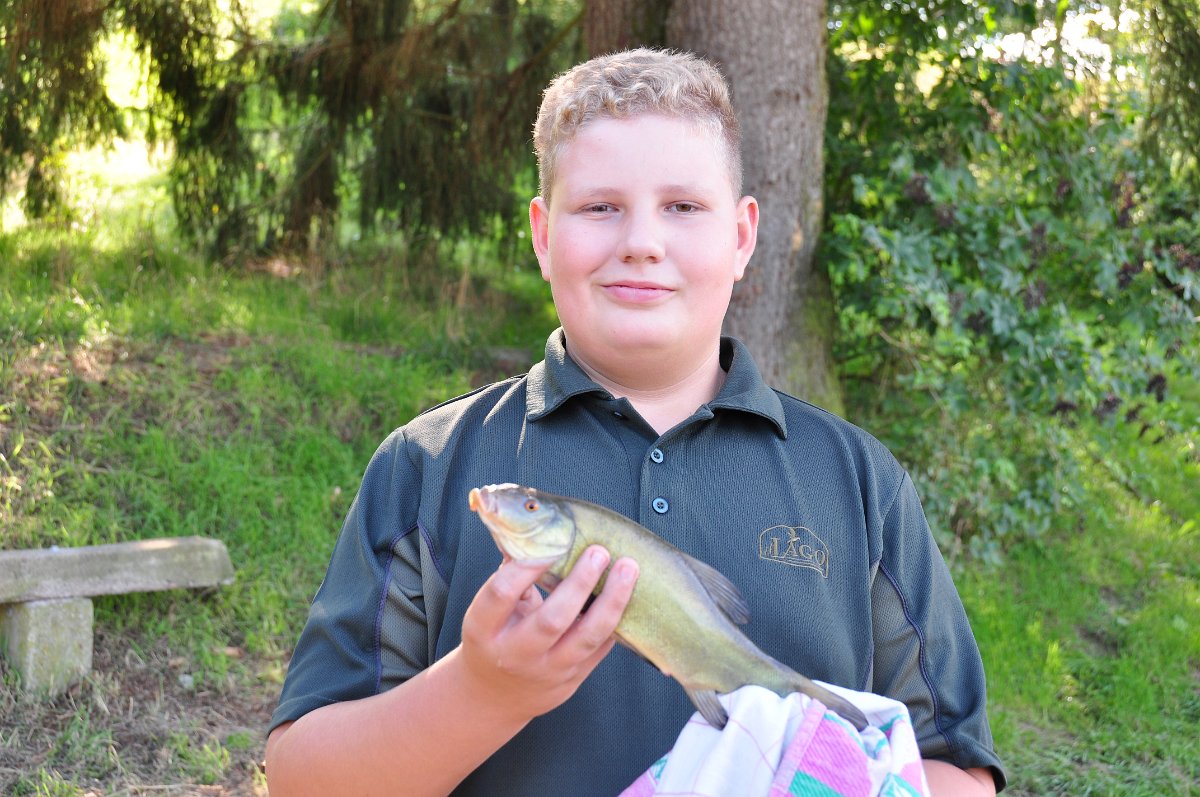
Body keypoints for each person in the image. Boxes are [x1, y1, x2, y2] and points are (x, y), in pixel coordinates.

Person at [264, 48, 1006, 796]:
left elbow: (959, 770)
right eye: (600, 207)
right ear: (543, 235)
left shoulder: (859, 479)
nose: (641, 242)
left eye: (682, 207)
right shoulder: (427, 464)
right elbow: (300, 777)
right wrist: (482, 692)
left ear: (742, 237)